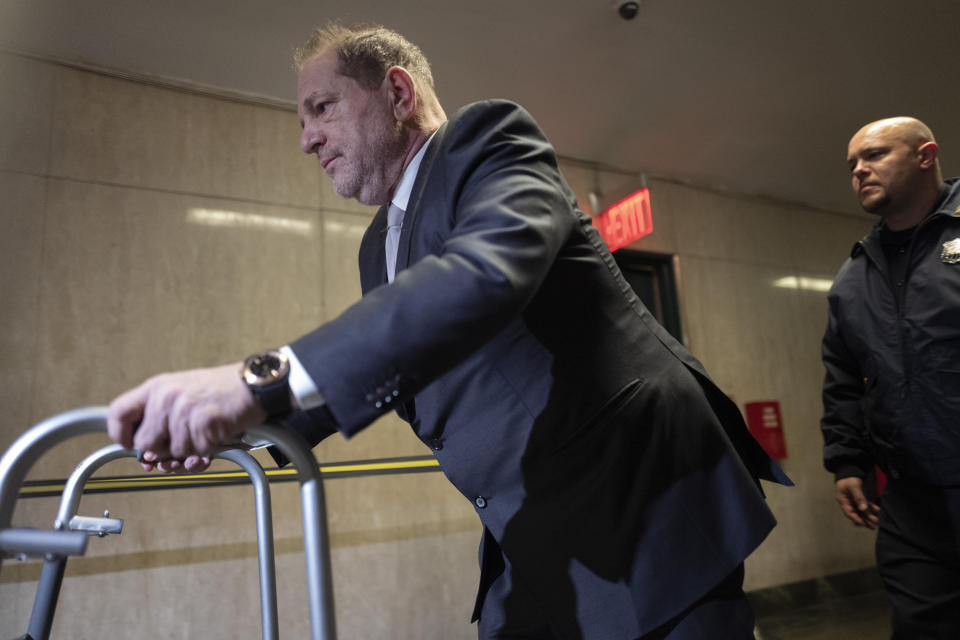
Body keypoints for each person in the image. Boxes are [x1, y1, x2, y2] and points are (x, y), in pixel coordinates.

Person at [108, 23, 790, 640]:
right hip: (535, 535)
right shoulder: (378, 248)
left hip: (642, 508)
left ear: (397, 91)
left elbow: (483, 274)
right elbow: (408, 361)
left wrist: (262, 380)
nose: (305, 138)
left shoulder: (489, 141)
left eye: (322, 108)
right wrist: (251, 428)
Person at [821, 116, 960, 638]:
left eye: (875, 155)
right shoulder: (853, 278)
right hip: (912, 508)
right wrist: (847, 460)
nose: (859, 170)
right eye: (853, 163)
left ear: (926, 155)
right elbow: (842, 377)